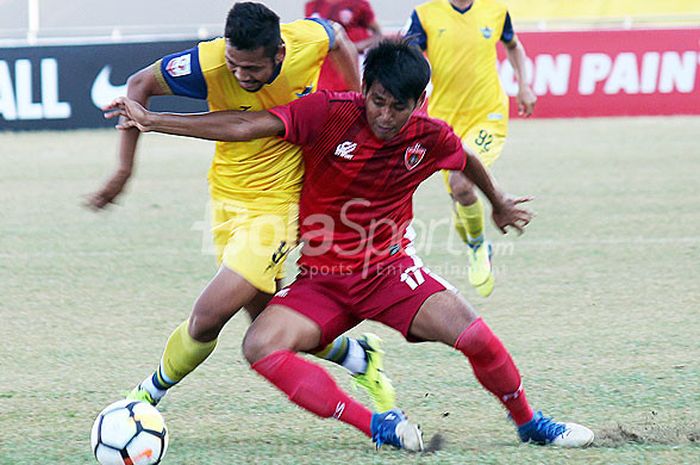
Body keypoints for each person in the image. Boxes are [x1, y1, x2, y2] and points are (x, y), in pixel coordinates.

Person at [105, 39, 594, 451]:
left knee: (476, 337)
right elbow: (244, 125)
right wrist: (154, 120)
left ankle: (531, 425)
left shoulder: (429, 136)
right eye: (377, 100)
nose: (384, 115)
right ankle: (377, 425)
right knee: (259, 345)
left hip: (389, 271)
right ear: (364, 89)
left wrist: (498, 203)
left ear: (418, 101)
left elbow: (463, 157)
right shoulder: (326, 113)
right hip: (322, 280)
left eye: (397, 106)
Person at [88, 2, 396, 412]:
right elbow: (139, 83)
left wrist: (355, 100)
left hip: (279, 203)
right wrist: (124, 169)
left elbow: (337, 38)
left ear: (280, 55)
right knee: (268, 321)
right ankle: (357, 356)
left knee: (209, 315)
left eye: (251, 68)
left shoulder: (305, 40)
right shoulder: (209, 63)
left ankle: (146, 396)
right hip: (227, 196)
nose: (240, 75)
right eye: (234, 64)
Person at [403, 0, 538, 297]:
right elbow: (406, 59)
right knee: (459, 198)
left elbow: (514, 46)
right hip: (444, 120)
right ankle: (478, 244)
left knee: (461, 183)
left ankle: (477, 250)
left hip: (486, 116)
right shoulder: (425, 16)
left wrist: (524, 85)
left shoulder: (496, 11)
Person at [305, 0, 382, 91]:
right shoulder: (312, 5)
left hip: (349, 70)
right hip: (324, 74)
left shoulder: (358, 4)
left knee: (354, 98)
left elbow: (378, 34)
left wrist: (355, 46)